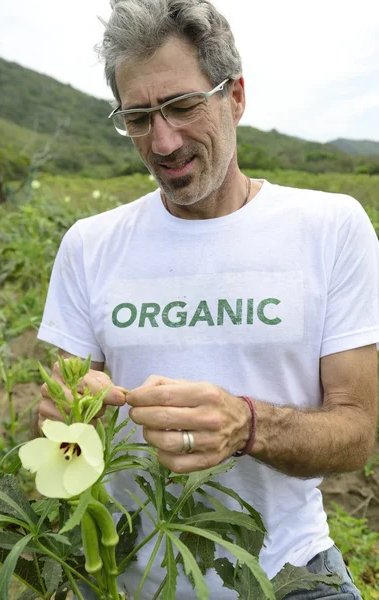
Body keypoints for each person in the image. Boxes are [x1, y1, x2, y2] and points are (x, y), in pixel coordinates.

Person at [38, 0, 379, 598]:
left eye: (182, 106)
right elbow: (53, 416)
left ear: (236, 96)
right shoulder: (89, 244)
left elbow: (356, 433)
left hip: (285, 571)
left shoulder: (330, 227)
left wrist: (250, 424)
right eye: (139, 117)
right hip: (121, 573)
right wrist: (66, 410)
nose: (163, 141)